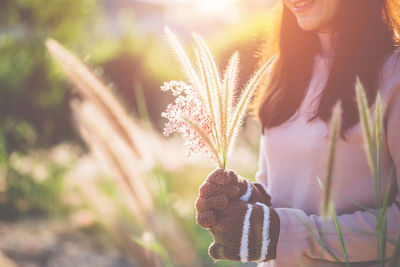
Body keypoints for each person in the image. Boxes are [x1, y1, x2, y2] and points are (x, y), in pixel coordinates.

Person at [195, 0, 400, 266]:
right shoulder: (283, 71)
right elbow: (275, 186)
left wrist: (285, 234)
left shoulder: (393, 74)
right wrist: (248, 199)